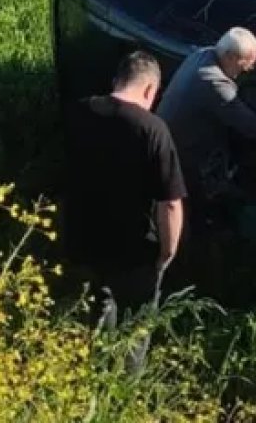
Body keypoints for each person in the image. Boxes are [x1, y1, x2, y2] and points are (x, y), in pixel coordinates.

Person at [59, 50, 186, 374]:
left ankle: (88, 381)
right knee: (135, 329)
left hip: (80, 239)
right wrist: (167, 252)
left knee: (89, 320)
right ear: (150, 89)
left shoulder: (76, 113)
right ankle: (126, 391)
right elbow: (170, 203)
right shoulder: (152, 129)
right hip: (134, 250)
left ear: (116, 80)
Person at [156, 27, 256, 263]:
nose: (249, 69)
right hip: (185, 160)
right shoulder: (213, 83)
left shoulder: (202, 54)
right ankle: (210, 250)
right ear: (229, 56)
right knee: (215, 205)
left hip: (168, 144)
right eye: (245, 63)